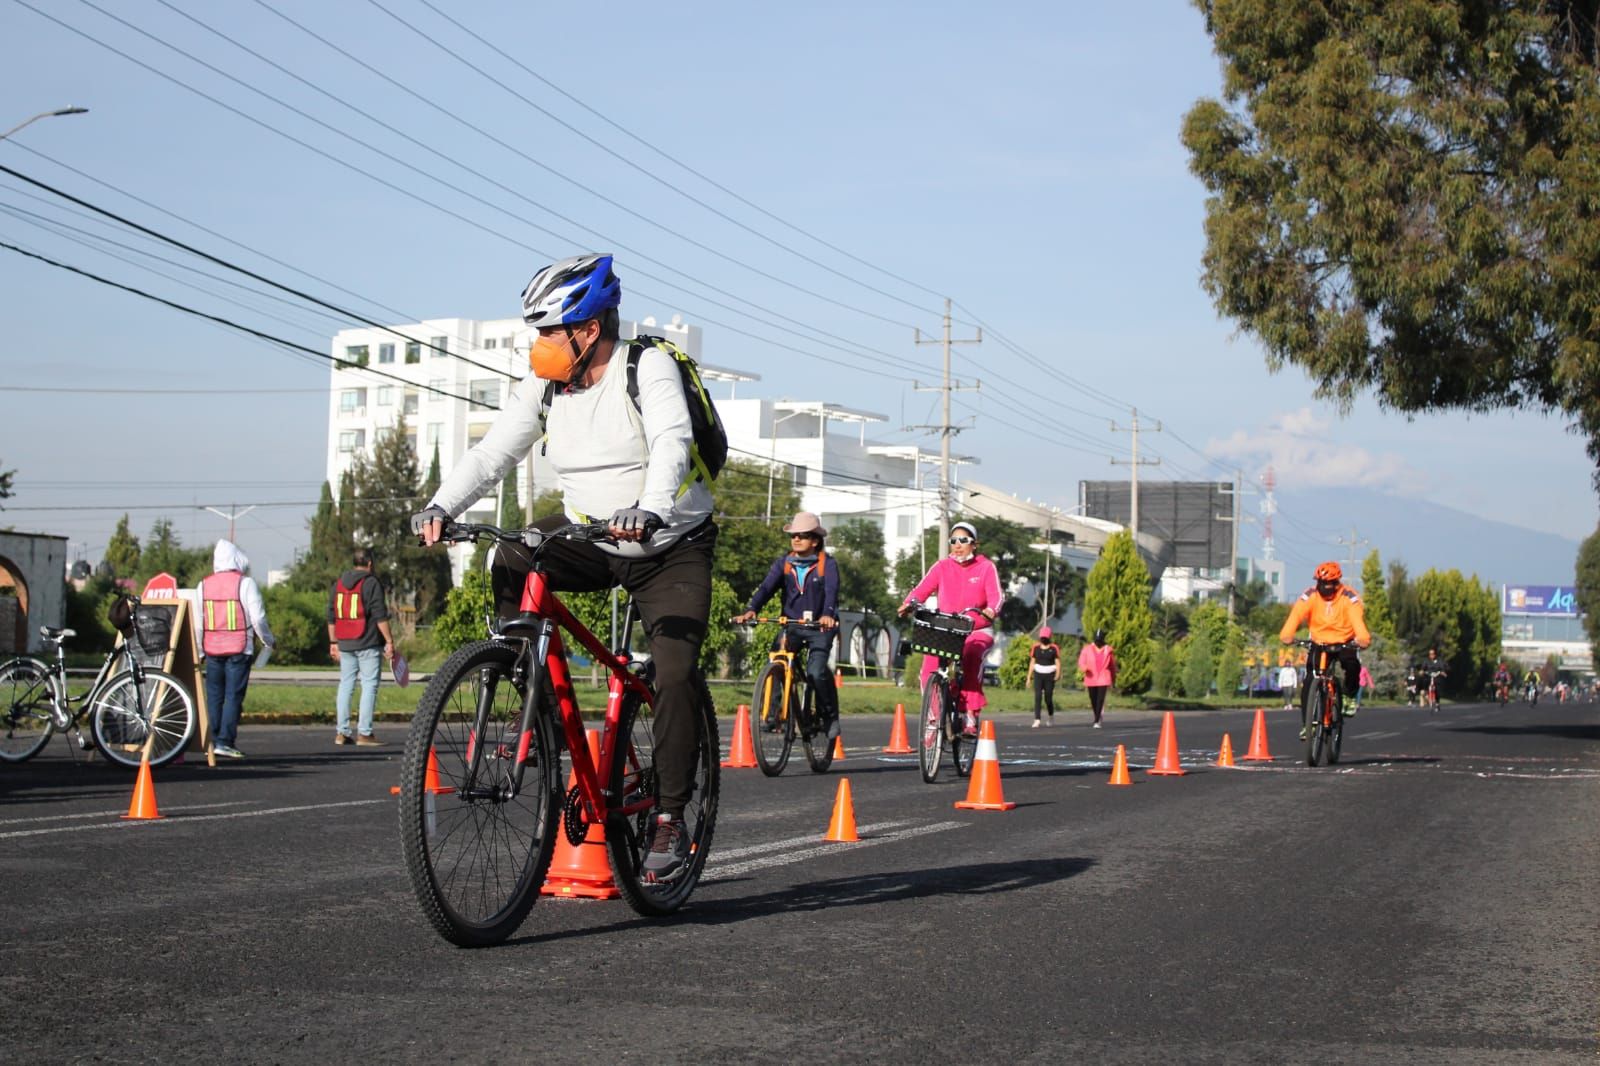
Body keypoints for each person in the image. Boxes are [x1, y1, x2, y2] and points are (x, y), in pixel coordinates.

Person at [412, 253, 714, 884]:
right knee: (513, 552)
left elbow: (671, 442)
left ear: (591, 328)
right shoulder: (546, 385)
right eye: (538, 332)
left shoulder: (646, 366)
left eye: (552, 331)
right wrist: (443, 504)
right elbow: (495, 450)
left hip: (670, 544)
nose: (541, 344)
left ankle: (670, 817)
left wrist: (650, 508)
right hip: (591, 536)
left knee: (676, 670)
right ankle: (529, 687)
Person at [731, 511, 841, 739]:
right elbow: (766, 588)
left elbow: (831, 592)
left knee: (816, 671)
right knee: (776, 662)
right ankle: (773, 715)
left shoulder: (826, 565)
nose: (796, 539)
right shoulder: (784, 563)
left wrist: (827, 614)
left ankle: (828, 716)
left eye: (802, 535)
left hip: (820, 628)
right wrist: (751, 609)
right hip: (791, 626)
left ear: (815, 540)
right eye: (793, 536)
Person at [898, 521, 1002, 736]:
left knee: (972, 655)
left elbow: (997, 597)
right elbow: (922, 589)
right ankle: (932, 719)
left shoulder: (986, 567)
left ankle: (970, 714)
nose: (957, 544)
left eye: (963, 540)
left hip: (976, 629)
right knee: (929, 665)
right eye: (953, 540)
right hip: (945, 629)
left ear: (974, 544)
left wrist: (991, 611)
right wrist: (909, 603)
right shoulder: (942, 566)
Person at [197, 539, 273, 759]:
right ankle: (225, 741)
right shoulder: (245, 583)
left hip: (212, 649)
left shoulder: (204, 584)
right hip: (240, 648)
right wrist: (267, 640)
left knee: (214, 696)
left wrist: (199, 650)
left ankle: (213, 740)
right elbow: (258, 618)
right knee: (233, 696)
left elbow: (198, 622)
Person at [1278, 560, 1371, 740]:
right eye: (1322, 584)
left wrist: (1362, 638)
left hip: (1345, 640)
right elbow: (1297, 613)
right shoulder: (1310, 595)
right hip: (1319, 641)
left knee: (1351, 664)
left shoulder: (1348, 596)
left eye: (1329, 584)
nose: (1325, 588)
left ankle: (1350, 696)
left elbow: (1357, 619)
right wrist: (1287, 634)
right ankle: (1308, 724)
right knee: (1310, 679)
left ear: (1337, 583)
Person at [327, 546, 396, 746]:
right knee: (369, 685)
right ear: (369, 564)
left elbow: (331, 615)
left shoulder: (339, 583)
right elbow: (379, 615)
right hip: (368, 642)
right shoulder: (371, 583)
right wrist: (389, 641)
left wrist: (333, 642)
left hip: (344, 642)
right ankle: (364, 733)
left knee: (346, 685)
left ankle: (342, 732)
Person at [1077, 628, 1117, 728]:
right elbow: (1081, 661)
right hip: (1091, 678)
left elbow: (1112, 666)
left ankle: (1096, 720)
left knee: (1100, 699)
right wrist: (1084, 668)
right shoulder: (1087, 649)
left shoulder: (1108, 650)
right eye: (1096, 640)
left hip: (1103, 678)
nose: (1098, 642)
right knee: (1093, 699)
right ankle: (1097, 715)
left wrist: (1113, 679)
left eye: (1100, 640)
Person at [1029, 626, 1060, 727]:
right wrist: (1029, 677)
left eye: (1045, 637)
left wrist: (1058, 674)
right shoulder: (1036, 648)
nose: (1043, 639)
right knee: (1037, 696)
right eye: (1042, 637)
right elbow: (1032, 662)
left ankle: (1051, 716)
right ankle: (1037, 719)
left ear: (1049, 637)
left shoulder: (1054, 648)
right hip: (1038, 673)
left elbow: (1057, 662)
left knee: (1048, 698)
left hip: (1050, 675)